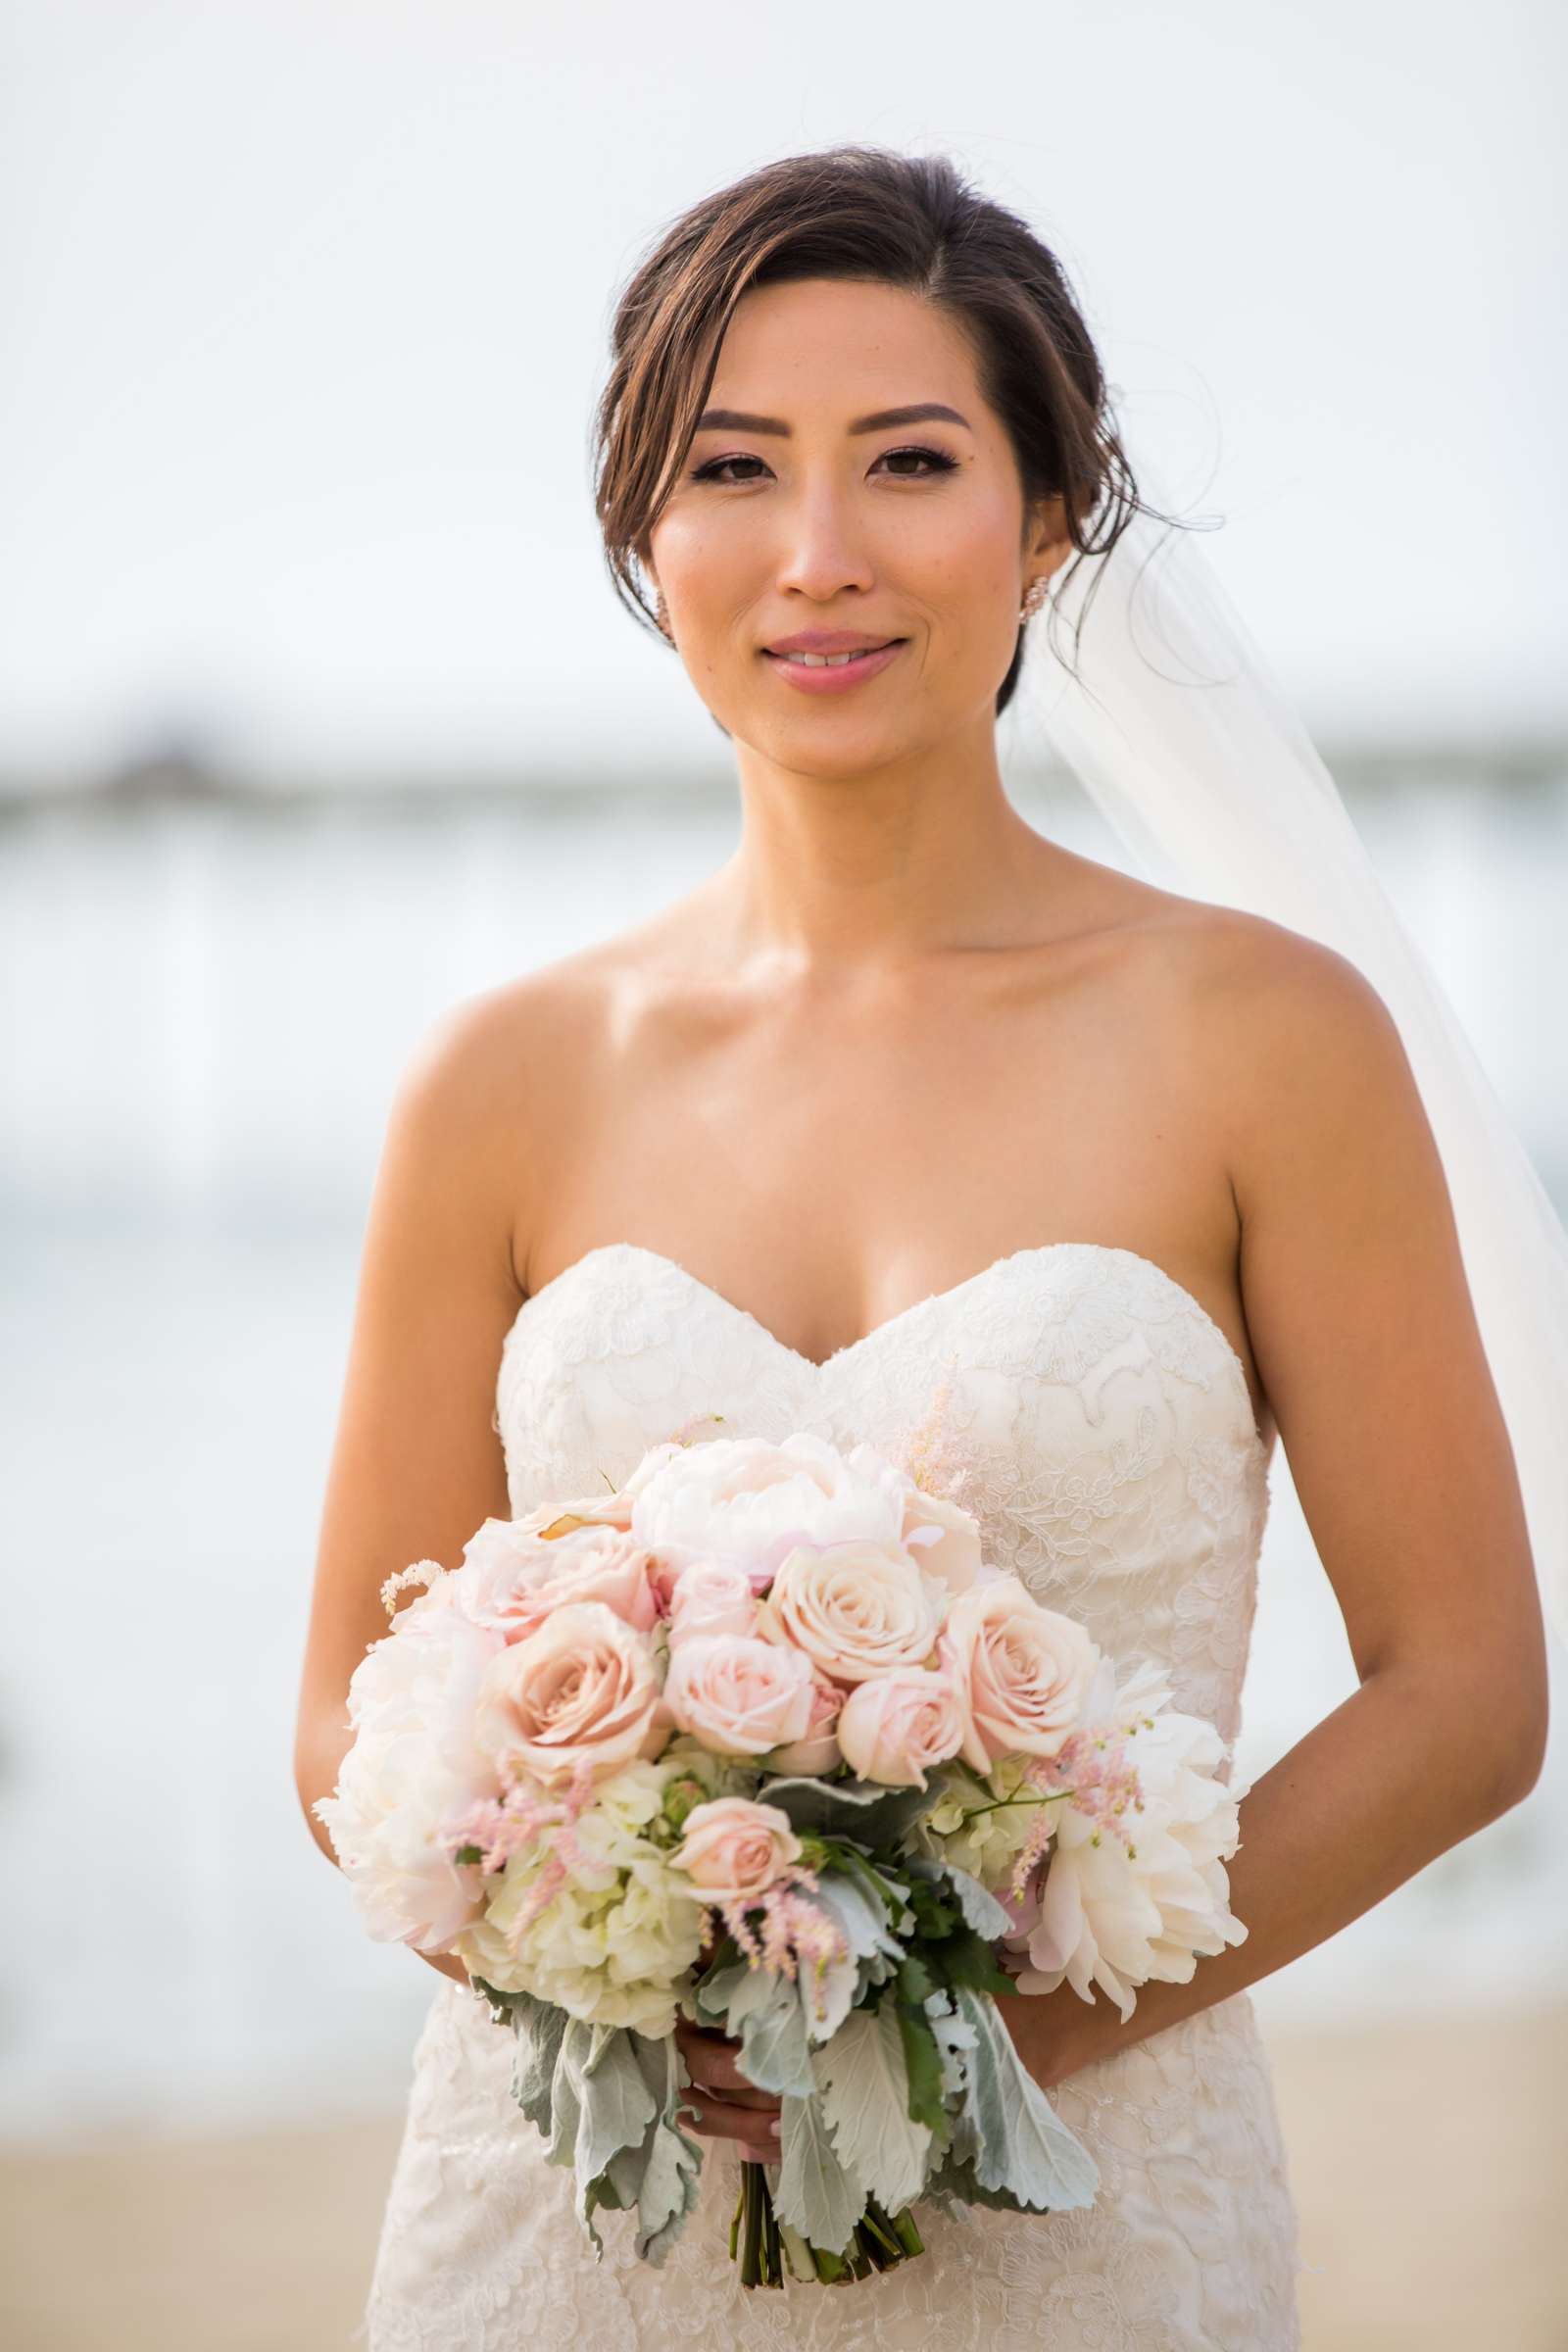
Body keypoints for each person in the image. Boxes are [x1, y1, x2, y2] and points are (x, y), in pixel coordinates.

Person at [292, 146, 1550, 2351]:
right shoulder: (497, 1079)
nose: (815, 558)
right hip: (569, 2203)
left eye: (906, 463)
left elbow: (1462, 1693)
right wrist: (589, 1929)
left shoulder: (1264, 1038)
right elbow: (343, 1717)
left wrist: (1023, 2018)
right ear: (640, 536)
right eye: (729, 471)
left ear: (1049, 515)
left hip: (1088, 2192)